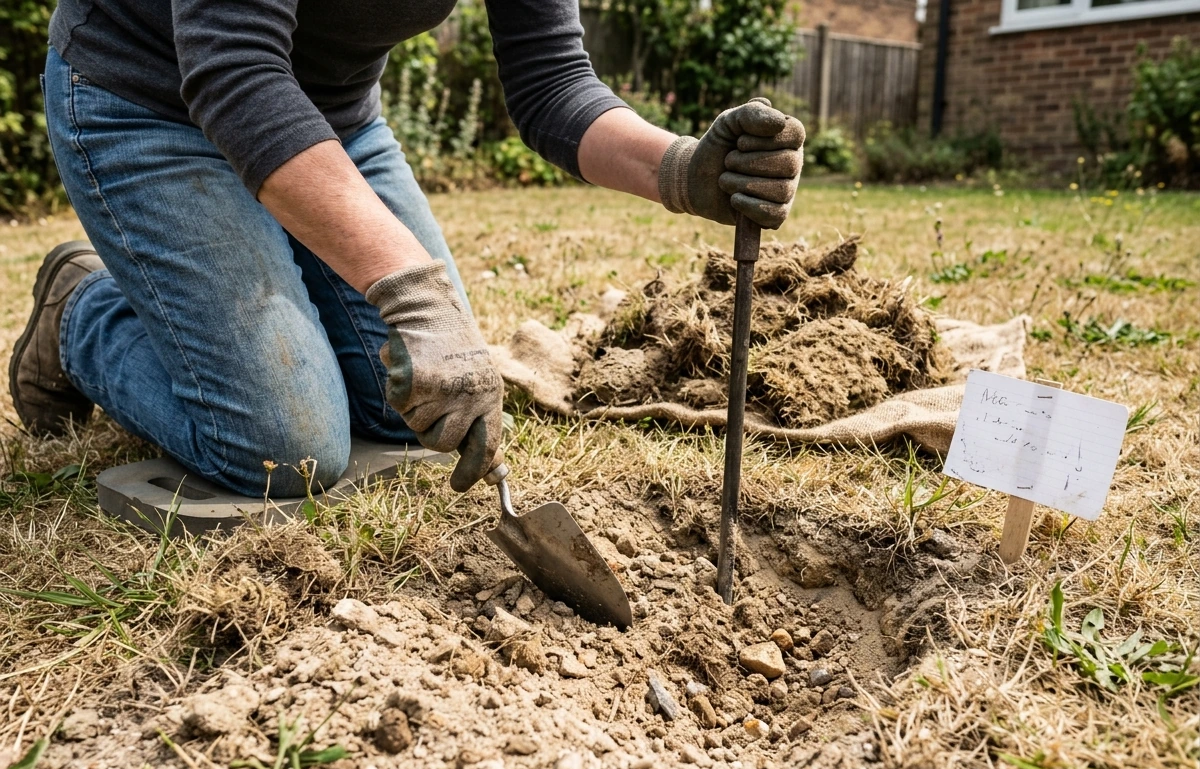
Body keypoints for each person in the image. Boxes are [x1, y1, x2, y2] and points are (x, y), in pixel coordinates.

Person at [10, 0, 805, 498]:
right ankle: (82, 312)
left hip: (333, 121)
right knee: (285, 449)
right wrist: (413, 293)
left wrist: (681, 171)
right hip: (150, 104)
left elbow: (552, 82)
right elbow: (236, 74)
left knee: (411, 409)